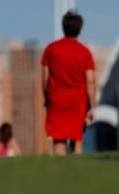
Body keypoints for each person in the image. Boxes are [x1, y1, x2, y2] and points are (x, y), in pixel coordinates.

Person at [41, 10, 96, 155]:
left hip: (57, 99)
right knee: (77, 138)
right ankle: (77, 174)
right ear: (80, 29)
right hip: (78, 101)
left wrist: (47, 98)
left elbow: (45, 78)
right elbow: (90, 81)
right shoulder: (85, 52)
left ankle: (60, 173)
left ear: (63, 27)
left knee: (59, 140)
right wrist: (91, 107)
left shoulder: (51, 49)